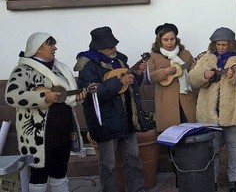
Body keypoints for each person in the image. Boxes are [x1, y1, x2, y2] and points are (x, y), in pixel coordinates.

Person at [4, 32, 87, 192]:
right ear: (37, 48)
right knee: (38, 177)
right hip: (38, 137)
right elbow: (11, 95)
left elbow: (68, 96)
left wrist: (79, 96)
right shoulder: (23, 70)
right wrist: (43, 96)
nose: (55, 48)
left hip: (62, 134)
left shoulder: (59, 69)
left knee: (60, 174)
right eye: (50, 44)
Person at [75, 26, 148, 192]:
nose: (114, 49)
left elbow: (131, 86)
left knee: (133, 160)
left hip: (126, 118)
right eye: (110, 47)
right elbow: (93, 92)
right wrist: (119, 82)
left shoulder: (120, 60)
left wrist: (137, 74)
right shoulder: (88, 66)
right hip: (105, 122)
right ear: (99, 48)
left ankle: (137, 189)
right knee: (108, 165)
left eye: (114, 45)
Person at [188, 27, 236, 192]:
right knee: (214, 148)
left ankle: (233, 180)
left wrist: (234, 77)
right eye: (218, 44)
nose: (220, 47)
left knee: (232, 146)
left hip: (233, 110)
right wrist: (204, 76)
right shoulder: (206, 57)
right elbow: (192, 79)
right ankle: (214, 181)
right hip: (210, 111)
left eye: (224, 45)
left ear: (231, 44)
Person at [147, 23, 196, 132]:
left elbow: (193, 74)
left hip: (186, 98)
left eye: (172, 39)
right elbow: (149, 77)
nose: (169, 42)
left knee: (189, 130)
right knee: (170, 133)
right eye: (165, 40)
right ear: (159, 41)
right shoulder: (153, 57)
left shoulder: (185, 54)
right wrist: (164, 72)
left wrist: (194, 68)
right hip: (167, 101)